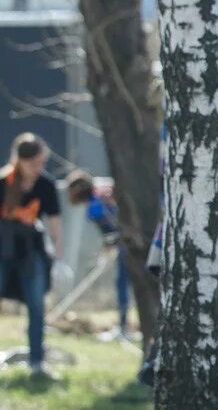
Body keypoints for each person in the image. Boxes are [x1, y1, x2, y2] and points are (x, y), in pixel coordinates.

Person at [0, 134, 63, 378]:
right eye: (34, 163)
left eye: (41, 162)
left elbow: (55, 222)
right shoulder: (4, 182)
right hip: (2, 248)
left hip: (30, 251)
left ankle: (37, 363)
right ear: (21, 161)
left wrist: (59, 257)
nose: (39, 167)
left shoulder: (46, 185)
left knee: (36, 305)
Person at [65, 170, 131, 338]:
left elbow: (111, 231)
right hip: (128, 243)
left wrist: (108, 247)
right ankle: (124, 326)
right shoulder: (101, 195)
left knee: (122, 284)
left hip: (127, 247)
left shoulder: (94, 207)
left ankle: (124, 327)